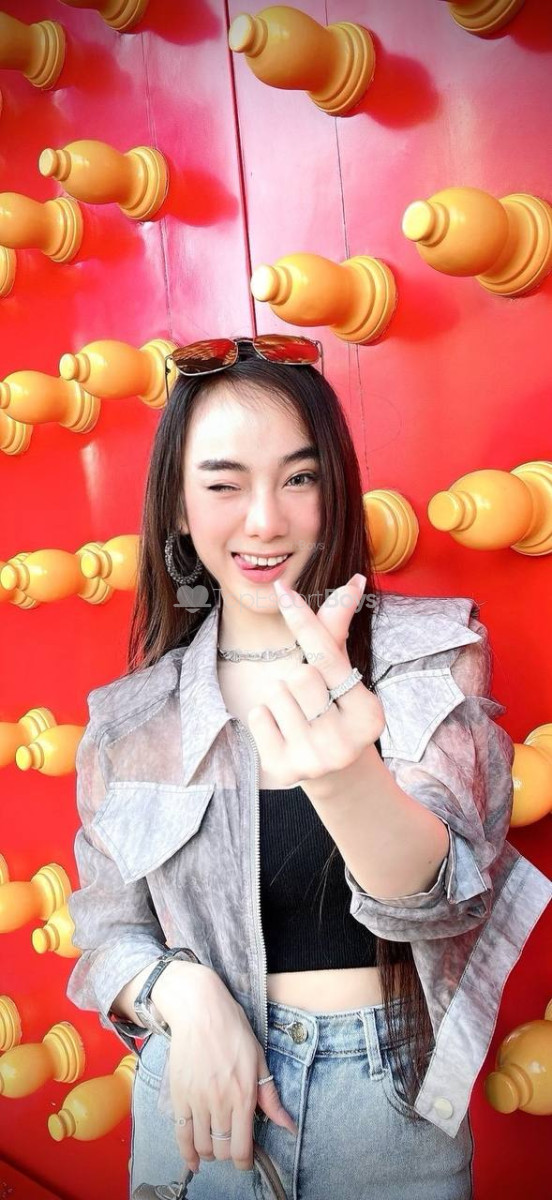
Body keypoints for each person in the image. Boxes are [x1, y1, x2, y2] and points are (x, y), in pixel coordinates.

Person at [66, 336, 552, 1200]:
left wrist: (344, 777)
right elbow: (107, 933)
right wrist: (183, 993)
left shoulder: (429, 652)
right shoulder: (131, 719)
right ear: (178, 505)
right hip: (198, 1104)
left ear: (335, 490)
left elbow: (447, 902)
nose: (265, 521)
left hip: (386, 1115)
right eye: (224, 484)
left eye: (299, 478)